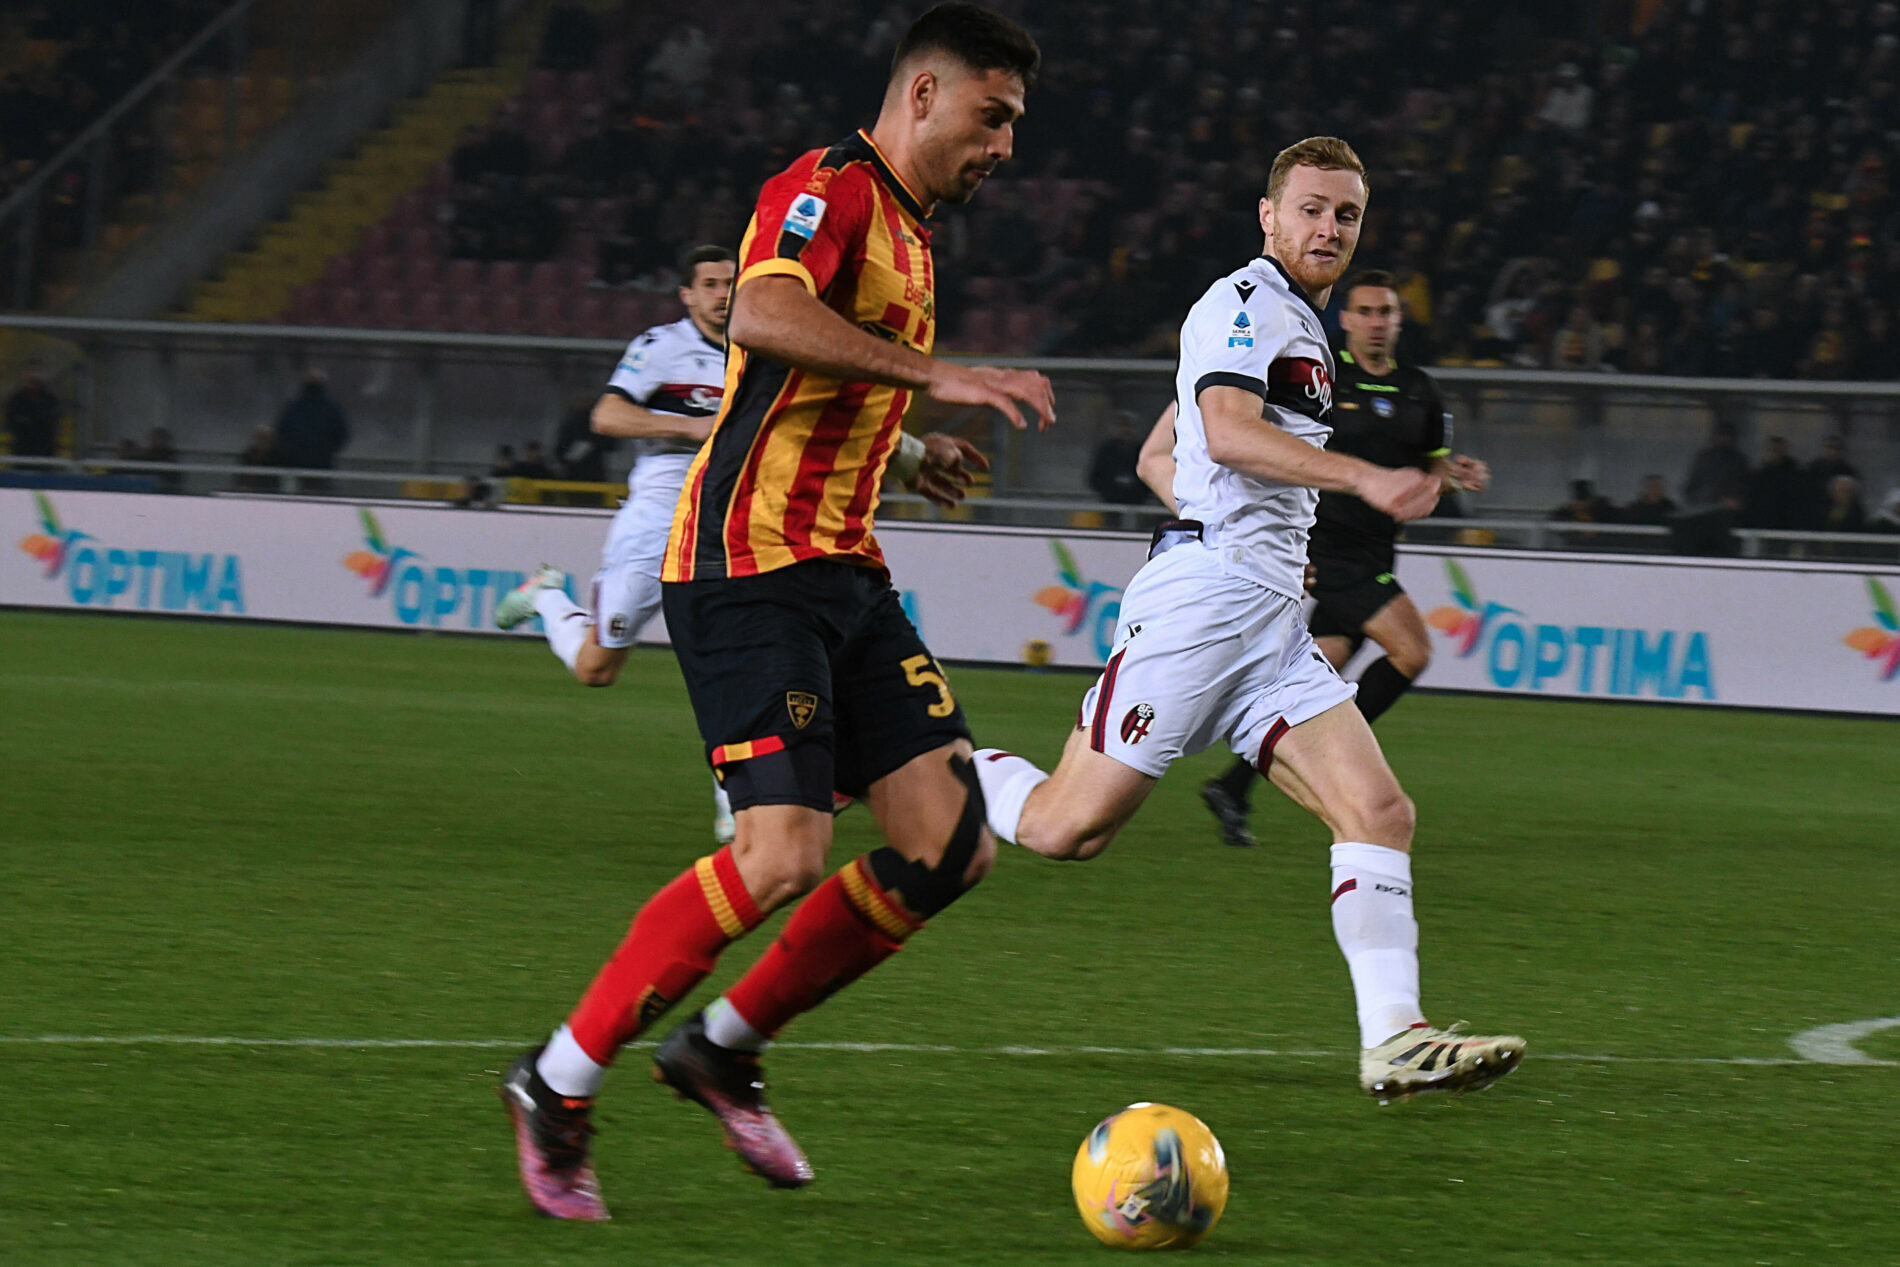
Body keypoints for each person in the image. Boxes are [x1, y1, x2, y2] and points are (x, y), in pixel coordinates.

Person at [499, 4, 1054, 1222]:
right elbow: (761, 315)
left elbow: (804, 381)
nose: (1004, 144)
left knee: (950, 847)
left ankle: (722, 1047)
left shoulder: (909, 231)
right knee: (781, 856)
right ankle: (556, 1079)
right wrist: (940, 375)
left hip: (845, 572)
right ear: (922, 94)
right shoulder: (828, 185)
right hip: (746, 565)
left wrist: (910, 451)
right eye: (992, 116)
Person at [969, 137, 1523, 1105]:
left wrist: (1270, 533)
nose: (1327, 228)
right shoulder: (1240, 305)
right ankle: (915, 755)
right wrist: (1353, 479)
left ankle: (1395, 1036)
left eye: (1344, 215)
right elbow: (1223, 431)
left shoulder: (1302, 327)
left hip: (1267, 609)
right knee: (1066, 830)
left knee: (1379, 811)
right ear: (1268, 216)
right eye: (1309, 208)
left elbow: (1175, 446)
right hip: (1205, 603)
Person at [1191, 269, 1489, 849]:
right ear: (1346, 319)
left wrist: (1452, 479)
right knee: (1412, 650)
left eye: (1387, 313)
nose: (1377, 323)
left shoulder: (1421, 390)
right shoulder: (1324, 379)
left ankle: (1232, 787)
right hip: (1329, 548)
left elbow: (1428, 471)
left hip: (1377, 551)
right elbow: (1285, 453)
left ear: (1400, 320)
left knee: (1320, 673)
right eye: (1367, 312)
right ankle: (1337, 750)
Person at [496, 245, 742, 842]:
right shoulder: (661, 347)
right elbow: (607, 416)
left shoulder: (760, 351)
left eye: (729, 282)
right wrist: (690, 428)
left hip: (728, 524)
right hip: (657, 520)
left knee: (735, 657)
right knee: (596, 669)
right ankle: (549, 597)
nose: (721, 294)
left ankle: (737, 797)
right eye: (708, 284)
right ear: (687, 294)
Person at [273, 368, 350, 492]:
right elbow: (282, 432)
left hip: (317, 463)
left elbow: (341, 433)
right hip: (306, 463)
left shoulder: (296, 407)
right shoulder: (297, 407)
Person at [1087, 415, 1151, 505]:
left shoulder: (1143, 451)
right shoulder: (1106, 451)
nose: (1125, 430)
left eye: (1128, 427)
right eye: (1122, 427)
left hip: (1138, 502)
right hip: (1110, 501)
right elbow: (1096, 476)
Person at [4, 360, 60, 458]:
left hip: (44, 451)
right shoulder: (17, 398)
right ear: (24, 374)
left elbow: (51, 422)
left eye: (37, 371)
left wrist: (32, 422)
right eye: (31, 371)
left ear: (44, 374)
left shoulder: (50, 399)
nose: (34, 375)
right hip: (21, 449)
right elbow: (12, 421)